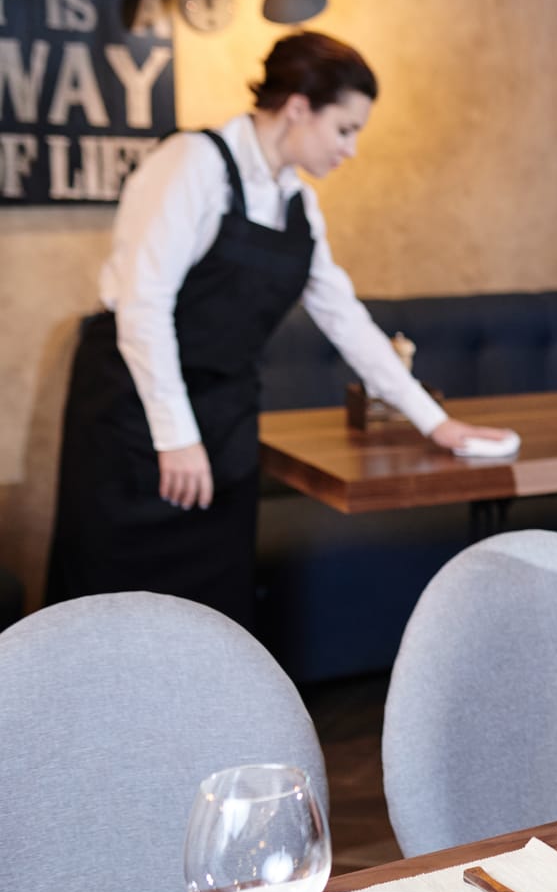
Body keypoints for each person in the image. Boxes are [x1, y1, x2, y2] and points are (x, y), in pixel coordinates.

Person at [46, 32, 514, 629]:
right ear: (297, 108)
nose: (351, 149)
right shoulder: (191, 164)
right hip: (134, 418)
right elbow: (143, 307)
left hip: (225, 420)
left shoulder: (297, 202)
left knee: (214, 613)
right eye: (345, 129)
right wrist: (174, 438)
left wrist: (435, 422)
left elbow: (346, 320)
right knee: (116, 608)